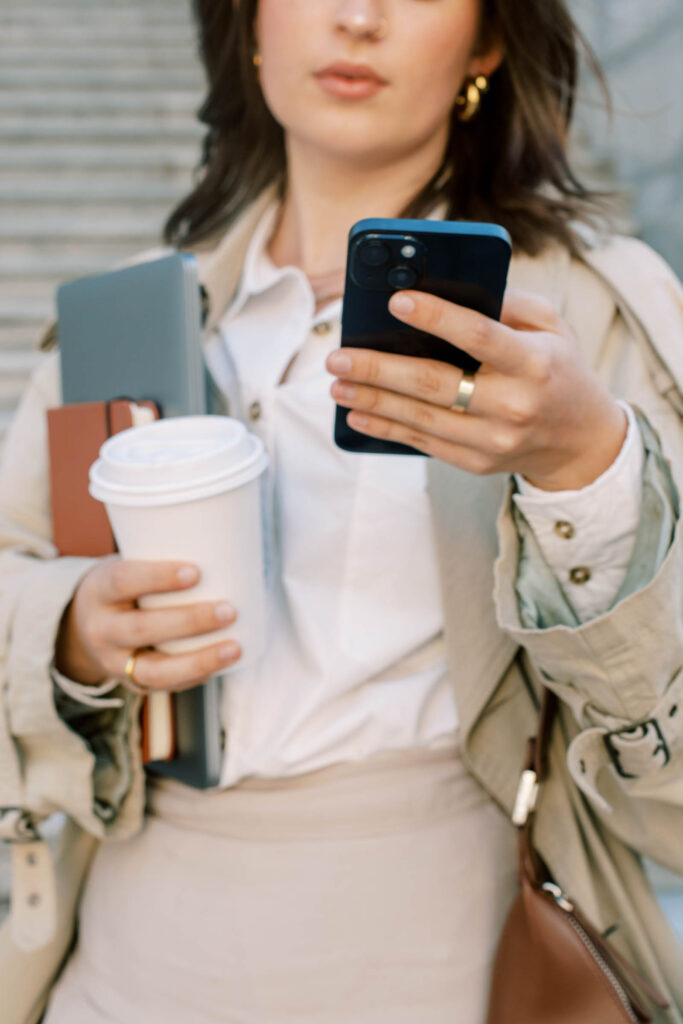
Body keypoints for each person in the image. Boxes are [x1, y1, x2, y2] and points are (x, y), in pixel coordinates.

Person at [1, 1, 682, 1021]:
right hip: (131, 956)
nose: (357, 18)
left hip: (448, 957)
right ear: (250, 25)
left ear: (487, 40)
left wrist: (583, 463)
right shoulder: (126, 318)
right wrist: (76, 630)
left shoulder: (587, 313)